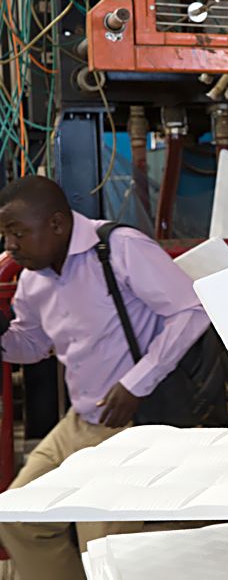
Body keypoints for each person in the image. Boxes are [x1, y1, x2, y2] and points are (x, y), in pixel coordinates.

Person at [0, 176, 210, 580]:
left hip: (128, 425)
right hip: (80, 422)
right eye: (5, 234)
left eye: (17, 233)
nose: (9, 245)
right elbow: (32, 346)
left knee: (103, 552)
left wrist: (137, 382)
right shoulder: (33, 279)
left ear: (57, 224)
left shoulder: (118, 248)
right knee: (17, 515)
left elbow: (192, 310)